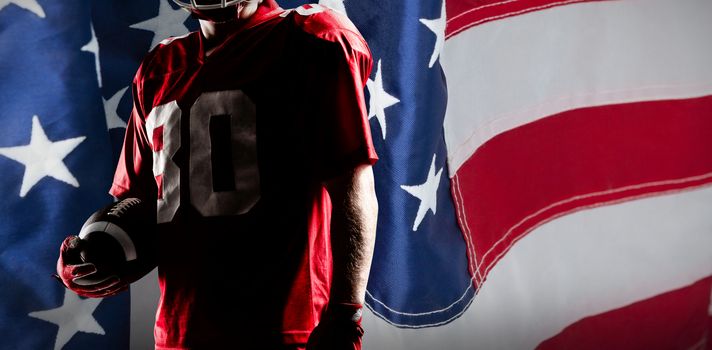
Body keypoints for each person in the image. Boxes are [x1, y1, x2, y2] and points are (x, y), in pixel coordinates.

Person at [55, 0, 379, 349]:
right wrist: (100, 255)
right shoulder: (159, 68)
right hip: (181, 333)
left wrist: (345, 313)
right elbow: (145, 204)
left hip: (288, 329)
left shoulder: (307, 37)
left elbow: (352, 183)